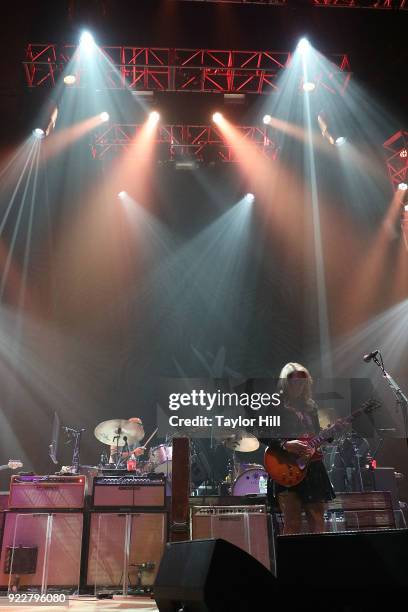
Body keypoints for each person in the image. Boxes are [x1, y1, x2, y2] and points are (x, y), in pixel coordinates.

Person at [267, 362, 335, 535]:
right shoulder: (274, 404)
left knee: (318, 522)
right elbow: (261, 433)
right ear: (285, 382)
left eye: (302, 382)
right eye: (294, 382)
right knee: (292, 524)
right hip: (287, 466)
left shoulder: (310, 406)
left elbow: (315, 434)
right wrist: (285, 444)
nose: (299, 385)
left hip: (313, 468)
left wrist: (328, 433)